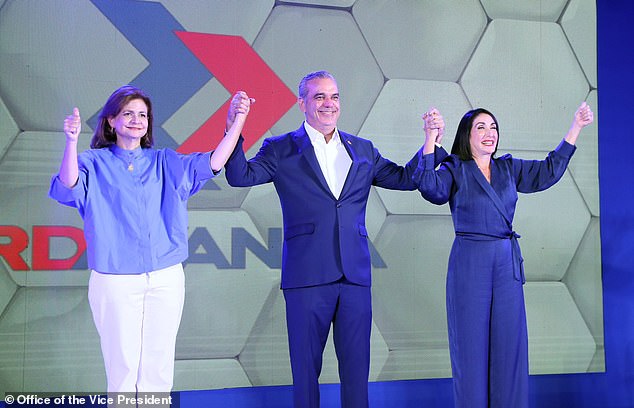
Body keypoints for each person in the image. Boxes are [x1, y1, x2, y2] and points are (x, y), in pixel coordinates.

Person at [223, 70, 447, 408]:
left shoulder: (363, 150)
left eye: (334, 97)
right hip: (307, 277)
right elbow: (240, 176)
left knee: (357, 376)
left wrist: (431, 142)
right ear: (302, 103)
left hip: (355, 277)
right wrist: (234, 126)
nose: (329, 104)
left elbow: (406, 179)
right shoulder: (281, 148)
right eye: (319, 97)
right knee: (305, 376)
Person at [48, 85, 252, 394]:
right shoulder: (93, 163)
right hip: (115, 280)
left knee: (158, 369)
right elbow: (68, 185)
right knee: (123, 370)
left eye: (142, 114)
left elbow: (212, 163)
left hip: (165, 277)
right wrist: (71, 142)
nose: (136, 120)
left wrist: (237, 122)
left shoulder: (165, 162)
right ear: (111, 121)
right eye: (128, 114)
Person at [414, 102, 594, 408]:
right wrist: (430, 139)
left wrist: (575, 127)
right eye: (481, 128)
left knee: (509, 349)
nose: (489, 133)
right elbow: (430, 188)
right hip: (470, 264)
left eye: (493, 127)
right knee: (470, 351)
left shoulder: (509, 167)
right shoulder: (453, 169)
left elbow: (548, 171)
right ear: (466, 136)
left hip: (505, 265)